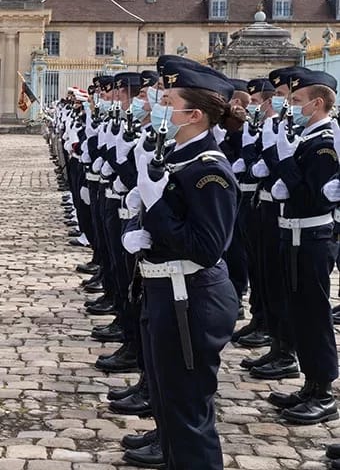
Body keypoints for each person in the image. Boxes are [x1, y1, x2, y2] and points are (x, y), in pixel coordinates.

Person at [120, 57, 243, 469]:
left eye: (166, 100)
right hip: (166, 292)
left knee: (189, 415)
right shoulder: (179, 156)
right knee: (170, 406)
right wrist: (144, 228)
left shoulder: (210, 170)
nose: (157, 105)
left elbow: (205, 247)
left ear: (192, 114)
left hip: (191, 299)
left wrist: (155, 205)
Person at [267, 67, 339, 424]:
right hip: (292, 233)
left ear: (318, 103)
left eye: (297, 100)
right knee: (298, 312)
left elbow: (314, 197)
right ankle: (310, 383)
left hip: (312, 236)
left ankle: (324, 389)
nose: (290, 105)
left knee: (314, 315)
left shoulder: (324, 145)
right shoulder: (306, 138)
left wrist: (285, 162)